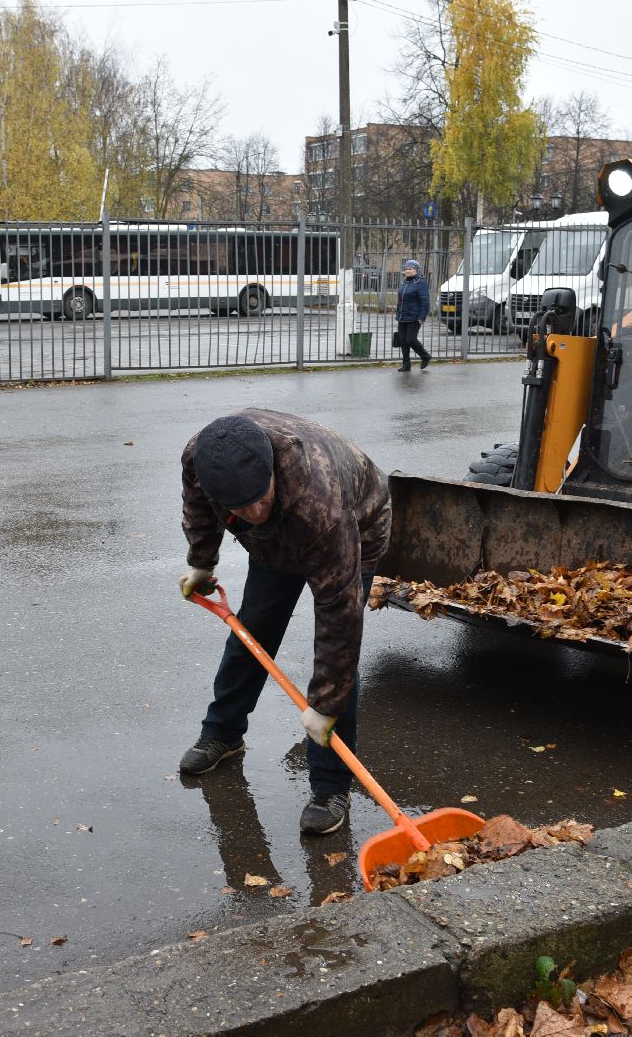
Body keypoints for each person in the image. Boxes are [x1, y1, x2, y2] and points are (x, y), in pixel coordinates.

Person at [176, 409, 391, 835]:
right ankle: (223, 732)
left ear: (273, 470)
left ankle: (331, 786)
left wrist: (324, 706)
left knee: (335, 660)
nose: (254, 510)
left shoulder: (321, 505)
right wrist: (202, 562)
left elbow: (340, 618)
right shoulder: (202, 460)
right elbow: (198, 508)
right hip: (276, 542)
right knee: (253, 631)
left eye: (261, 497)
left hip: (356, 523)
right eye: (241, 505)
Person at [395, 259, 431, 372]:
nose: (408, 270)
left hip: (415, 317)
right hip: (403, 316)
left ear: (416, 270)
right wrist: (398, 313)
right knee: (403, 341)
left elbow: (425, 302)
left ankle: (425, 356)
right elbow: (400, 299)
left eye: (410, 268)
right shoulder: (404, 282)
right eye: (407, 268)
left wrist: (422, 317)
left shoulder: (420, 282)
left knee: (410, 340)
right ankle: (406, 365)